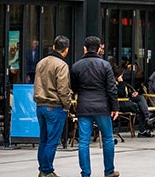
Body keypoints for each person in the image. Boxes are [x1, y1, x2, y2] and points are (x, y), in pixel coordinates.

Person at [70, 35, 120, 177]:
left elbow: (74, 87)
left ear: (84, 49)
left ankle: (86, 173)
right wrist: (114, 107)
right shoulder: (105, 65)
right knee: (108, 139)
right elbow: (112, 88)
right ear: (99, 49)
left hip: (84, 106)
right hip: (102, 107)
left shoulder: (76, 66)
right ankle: (109, 171)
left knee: (84, 141)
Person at [33, 35, 73, 177]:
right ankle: (47, 171)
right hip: (54, 106)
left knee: (43, 139)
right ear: (66, 50)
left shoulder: (41, 62)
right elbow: (63, 89)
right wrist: (67, 105)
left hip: (40, 105)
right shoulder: (61, 65)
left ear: (54, 47)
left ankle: (43, 169)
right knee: (52, 140)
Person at [113, 66, 152, 137]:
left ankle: (147, 118)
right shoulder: (113, 83)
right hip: (119, 103)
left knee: (140, 97)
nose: (122, 76)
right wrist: (121, 82)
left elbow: (125, 93)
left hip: (126, 100)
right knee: (140, 107)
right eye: (121, 74)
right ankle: (143, 128)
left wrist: (132, 94)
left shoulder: (120, 83)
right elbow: (120, 94)